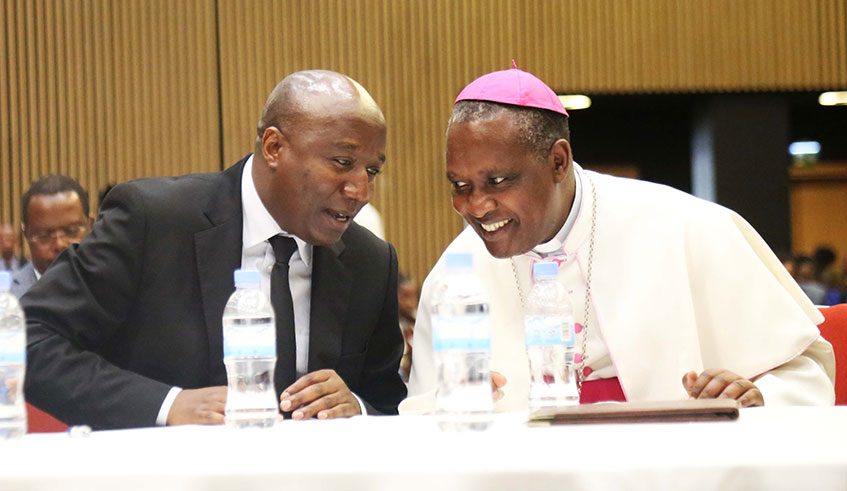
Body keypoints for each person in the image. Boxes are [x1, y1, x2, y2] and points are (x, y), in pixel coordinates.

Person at [401, 66, 835, 414]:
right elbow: (424, 421)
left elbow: (804, 376)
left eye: (497, 181)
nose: (476, 206)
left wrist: (757, 399)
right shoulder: (456, 275)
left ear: (558, 161)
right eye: (459, 185)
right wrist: (455, 407)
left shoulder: (685, 226)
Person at [23, 70, 406, 429]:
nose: (361, 191)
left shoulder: (370, 262)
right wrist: (168, 405)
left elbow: (388, 404)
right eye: (342, 162)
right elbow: (28, 339)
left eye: (371, 171)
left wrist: (357, 407)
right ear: (274, 147)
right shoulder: (153, 222)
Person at [11, 175, 92, 298]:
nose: (60, 244)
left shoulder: (115, 289)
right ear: (26, 235)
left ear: (90, 227)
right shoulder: (6, 299)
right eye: (44, 235)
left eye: (71, 231)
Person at [397, 273, 418, 382]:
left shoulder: (418, 321)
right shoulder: (392, 327)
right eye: (404, 297)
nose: (410, 303)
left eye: (414, 297)